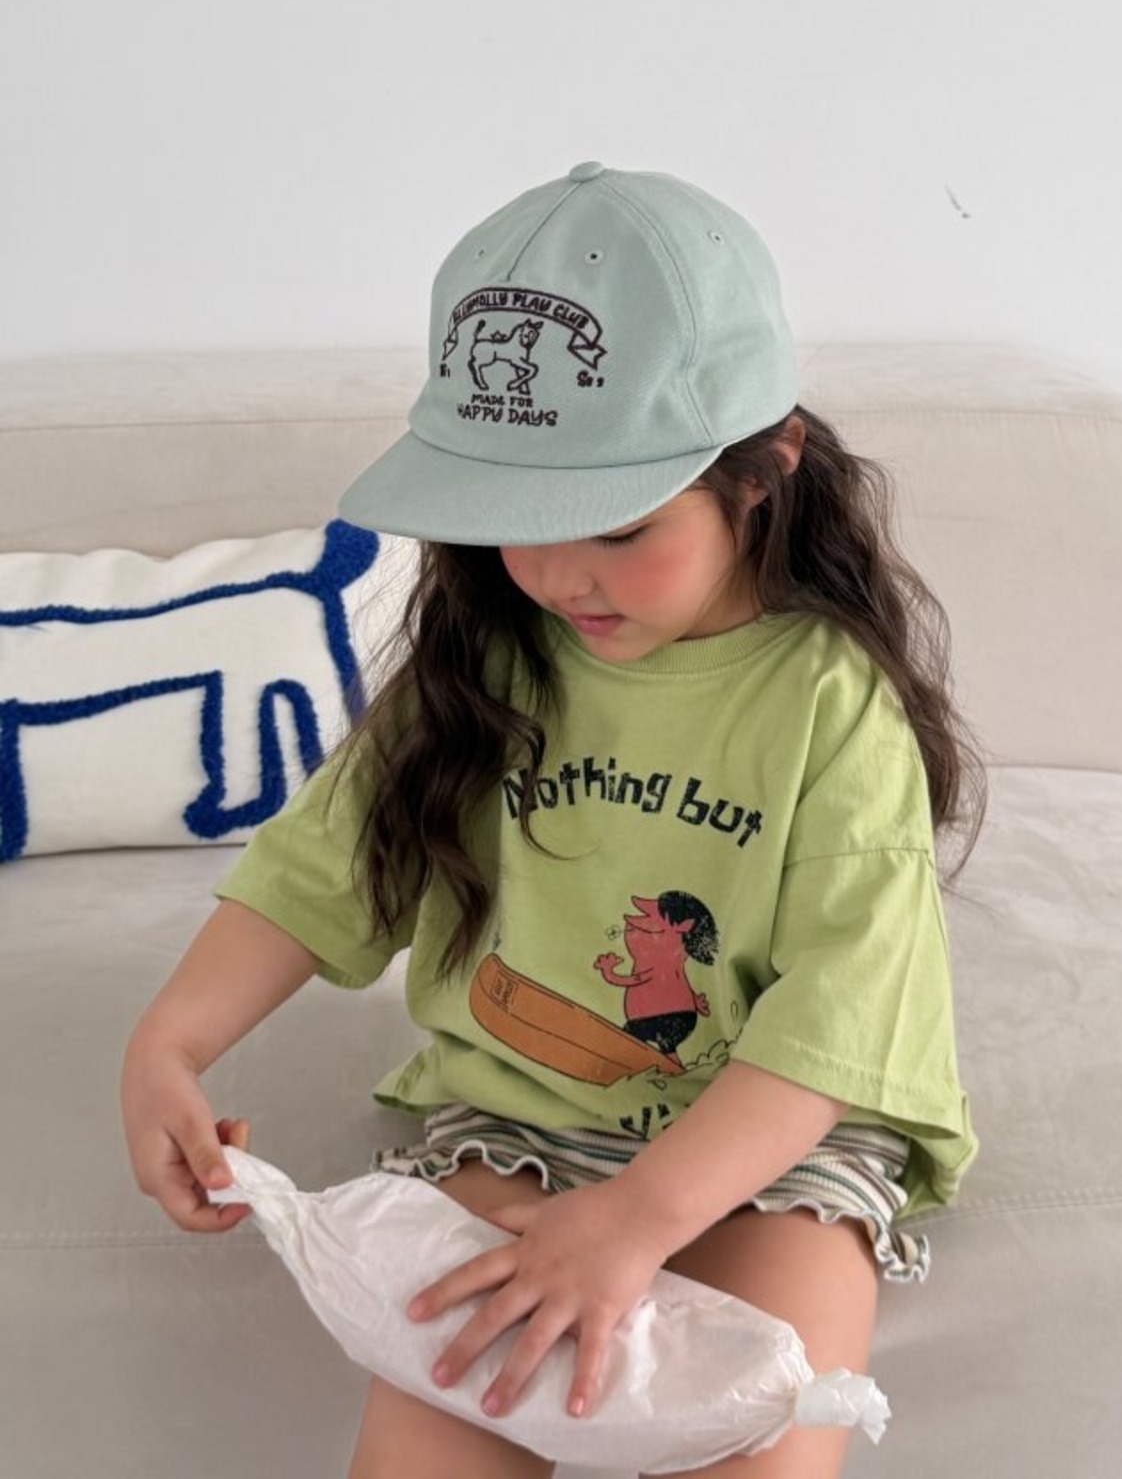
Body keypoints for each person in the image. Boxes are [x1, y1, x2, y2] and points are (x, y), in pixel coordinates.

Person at [121, 160, 986, 1479]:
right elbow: (321, 871)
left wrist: (640, 1218)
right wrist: (167, 1046)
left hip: (773, 1138)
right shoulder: (491, 662)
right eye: (520, 524)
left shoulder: (828, 700)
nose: (564, 576)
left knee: (765, 1439)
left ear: (767, 469)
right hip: (520, 1122)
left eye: (621, 527)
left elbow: (841, 1017)